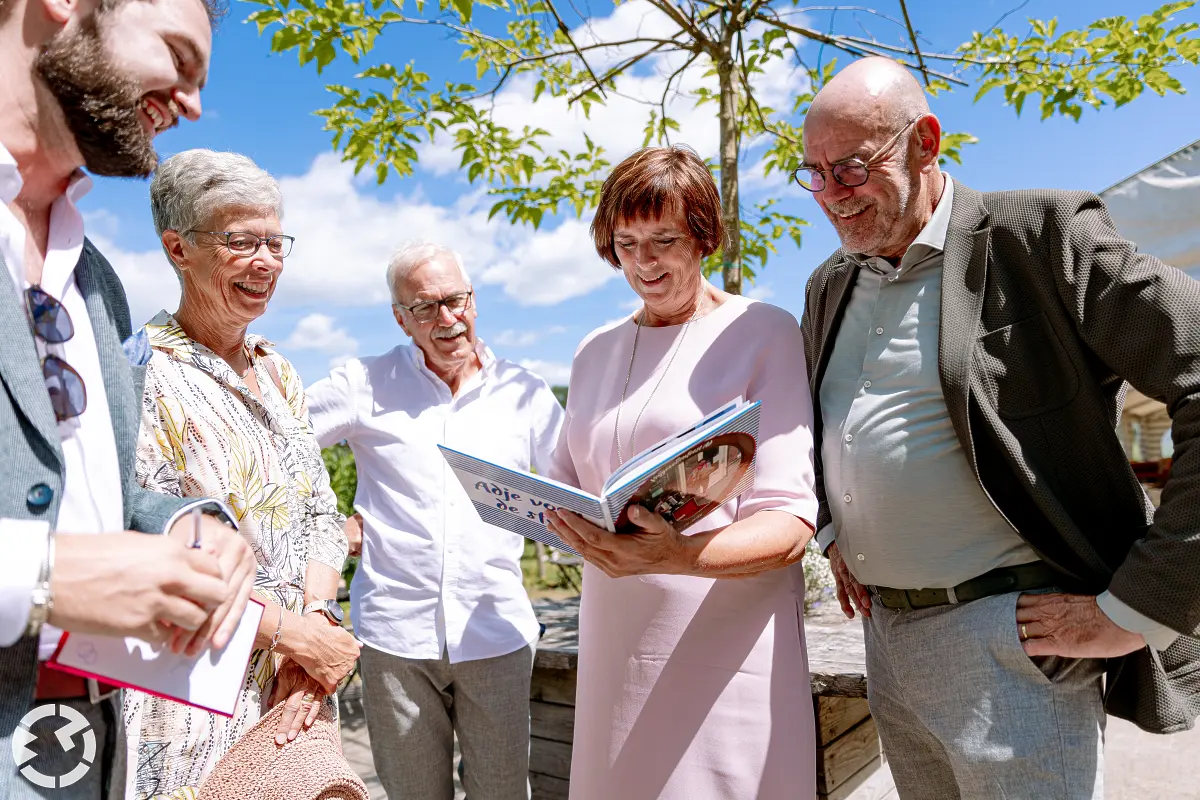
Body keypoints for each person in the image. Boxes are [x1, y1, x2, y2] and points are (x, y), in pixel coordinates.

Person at [797, 56, 1200, 799]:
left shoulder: (1039, 234)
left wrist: (1138, 609)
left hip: (1013, 640)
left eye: (850, 168)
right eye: (813, 174)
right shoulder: (829, 284)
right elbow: (823, 430)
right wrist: (834, 529)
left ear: (925, 142)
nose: (831, 196)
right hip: (888, 641)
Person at [0, 1, 256, 797]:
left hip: (85, 743)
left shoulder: (99, 283)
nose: (194, 104)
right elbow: (54, 555)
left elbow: (78, 491)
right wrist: (33, 578)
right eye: (178, 56)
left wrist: (185, 525)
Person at [545, 145, 819, 798]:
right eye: (627, 242)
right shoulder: (592, 351)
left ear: (704, 237)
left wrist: (674, 554)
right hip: (616, 644)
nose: (644, 263)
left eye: (664, 240)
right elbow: (566, 483)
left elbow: (790, 522)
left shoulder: (762, 331)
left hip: (726, 654)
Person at [126, 149, 359, 798]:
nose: (267, 262)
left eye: (275, 241)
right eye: (241, 241)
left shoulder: (279, 370)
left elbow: (318, 507)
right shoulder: (144, 373)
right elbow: (159, 555)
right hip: (193, 698)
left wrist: (315, 625)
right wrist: (296, 637)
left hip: (293, 685)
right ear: (179, 249)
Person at [306, 241, 564, 800]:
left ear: (474, 299)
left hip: (495, 630)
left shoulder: (526, 393)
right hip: (396, 635)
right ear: (401, 318)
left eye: (456, 300)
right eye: (425, 307)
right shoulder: (363, 384)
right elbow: (276, 443)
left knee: (502, 794)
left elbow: (575, 483)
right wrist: (327, 525)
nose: (447, 319)